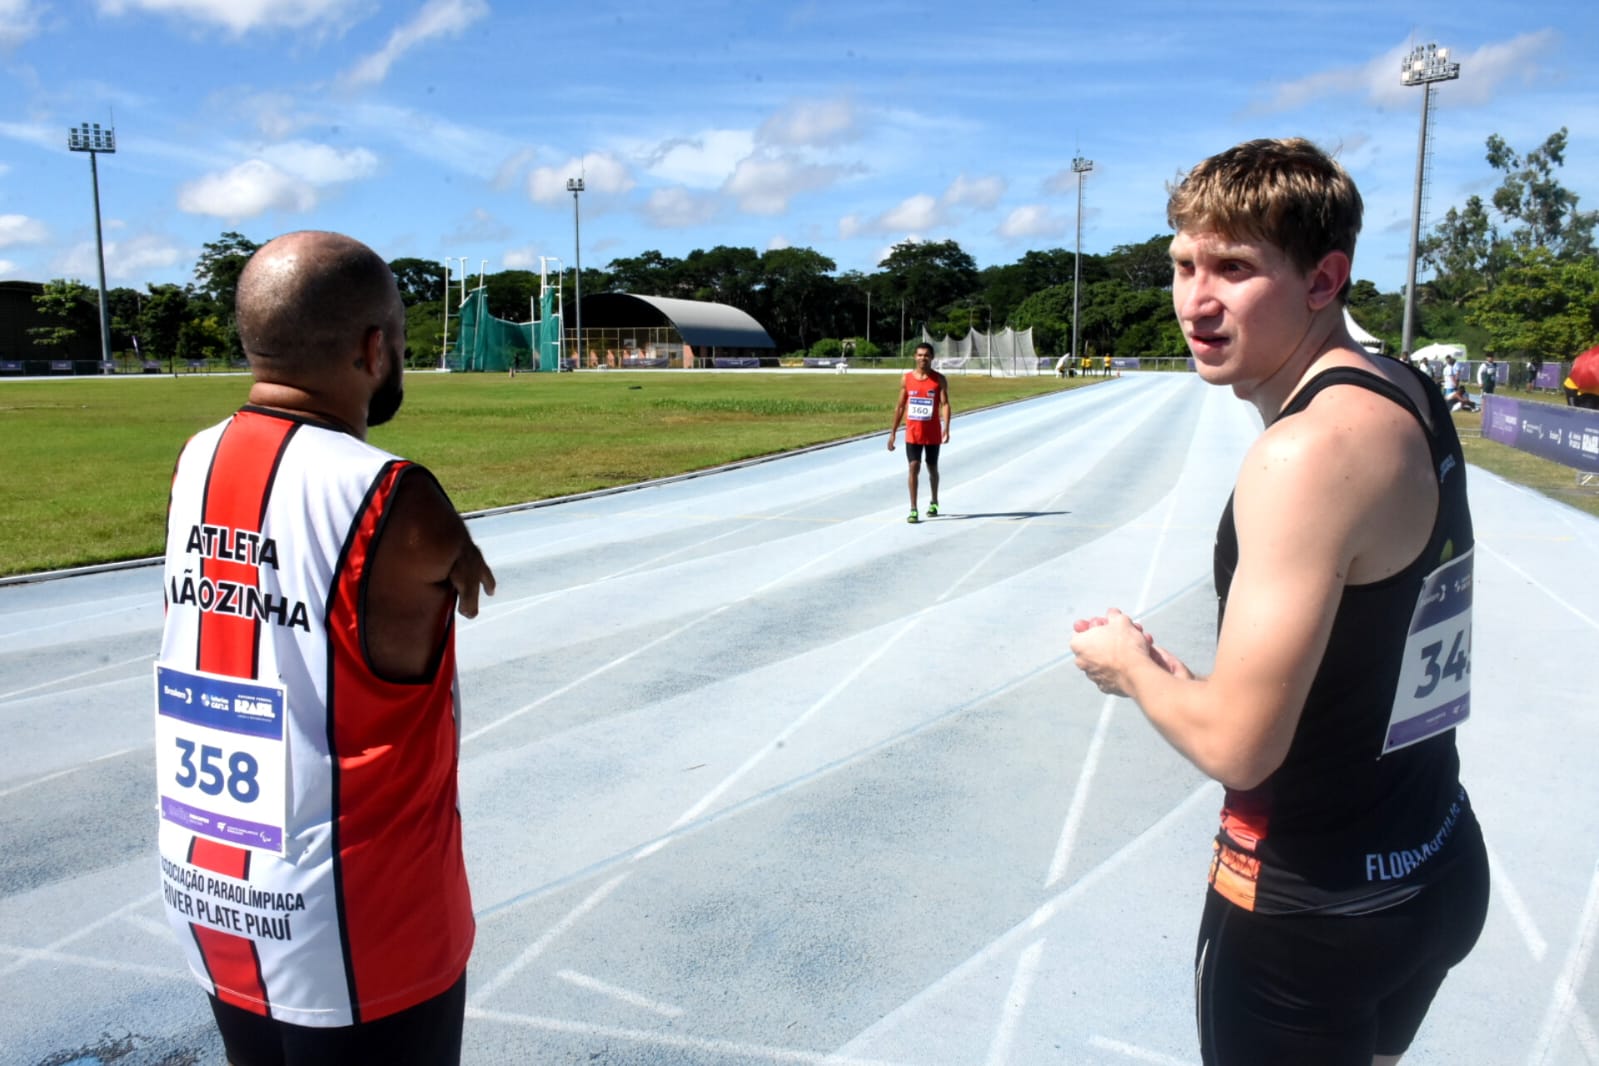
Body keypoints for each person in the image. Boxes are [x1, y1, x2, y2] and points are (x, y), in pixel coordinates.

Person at [1070, 139, 1487, 1066]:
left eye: (1235, 267)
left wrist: (1131, 669)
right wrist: (1204, 685)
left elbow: (1237, 746)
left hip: (1312, 914)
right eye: (1182, 265)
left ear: (1322, 278)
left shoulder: (1306, 451)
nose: (1195, 300)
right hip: (1434, 862)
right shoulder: (1405, 388)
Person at [156, 230, 495, 1065]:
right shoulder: (390, 493)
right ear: (373, 347)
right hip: (359, 918)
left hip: (212, 881)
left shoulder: (196, 460)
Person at [887, 342, 951, 523]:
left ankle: (934, 501)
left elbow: (945, 404)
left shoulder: (939, 379)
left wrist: (947, 428)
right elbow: (900, 406)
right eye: (920, 355)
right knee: (913, 467)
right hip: (913, 432)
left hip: (932, 433)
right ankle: (913, 508)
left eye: (926, 355)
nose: (923, 358)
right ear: (915, 357)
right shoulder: (906, 379)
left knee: (932, 468)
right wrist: (893, 433)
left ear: (932, 358)